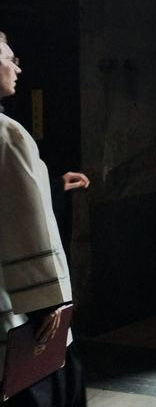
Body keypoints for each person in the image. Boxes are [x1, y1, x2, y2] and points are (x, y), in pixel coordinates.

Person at [0, 32, 87, 406]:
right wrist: (46, 300)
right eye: (9, 59)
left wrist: (51, 184)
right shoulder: (7, 134)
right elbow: (21, 220)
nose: (17, 68)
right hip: (13, 301)